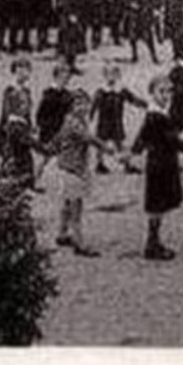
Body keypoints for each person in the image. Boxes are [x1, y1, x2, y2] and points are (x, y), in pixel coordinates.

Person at [131, 76, 183, 260]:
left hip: (161, 162)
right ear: (152, 93)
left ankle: (154, 242)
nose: (166, 95)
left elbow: (142, 137)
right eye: (162, 91)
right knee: (157, 204)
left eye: (169, 91)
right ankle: (152, 244)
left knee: (158, 204)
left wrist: (135, 150)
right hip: (160, 163)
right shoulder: (156, 116)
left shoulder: (157, 113)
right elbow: (170, 139)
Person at [52, 88, 101, 256]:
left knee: (67, 202)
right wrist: (107, 148)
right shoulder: (75, 123)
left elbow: (57, 140)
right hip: (74, 168)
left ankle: (62, 233)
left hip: (67, 166)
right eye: (78, 104)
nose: (83, 107)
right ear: (70, 106)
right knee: (76, 207)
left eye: (85, 103)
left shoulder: (70, 120)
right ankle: (79, 243)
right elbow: (88, 138)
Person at [92, 62, 147, 174]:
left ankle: (127, 165)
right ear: (105, 75)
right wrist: (88, 117)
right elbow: (93, 106)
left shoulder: (121, 91)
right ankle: (99, 164)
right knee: (101, 145)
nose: (111, 76)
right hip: (104, 123)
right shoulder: (101, 91)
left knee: (120, 145)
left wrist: (145, 104)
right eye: (108, 73)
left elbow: (133, 99)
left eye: (114, 73)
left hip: (116, 122)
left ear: (117, 75)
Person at [0, 57, 37, 188]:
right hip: (12, 129)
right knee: (11, 155)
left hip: (23, 128)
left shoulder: (26, 91)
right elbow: (7, 113)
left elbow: (28, 112)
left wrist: (30, 126)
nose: (24, 74)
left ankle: (28, 183)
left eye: (26, 71)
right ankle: (4, 180)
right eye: (20, 71)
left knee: (26, 156)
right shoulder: (10, 90)